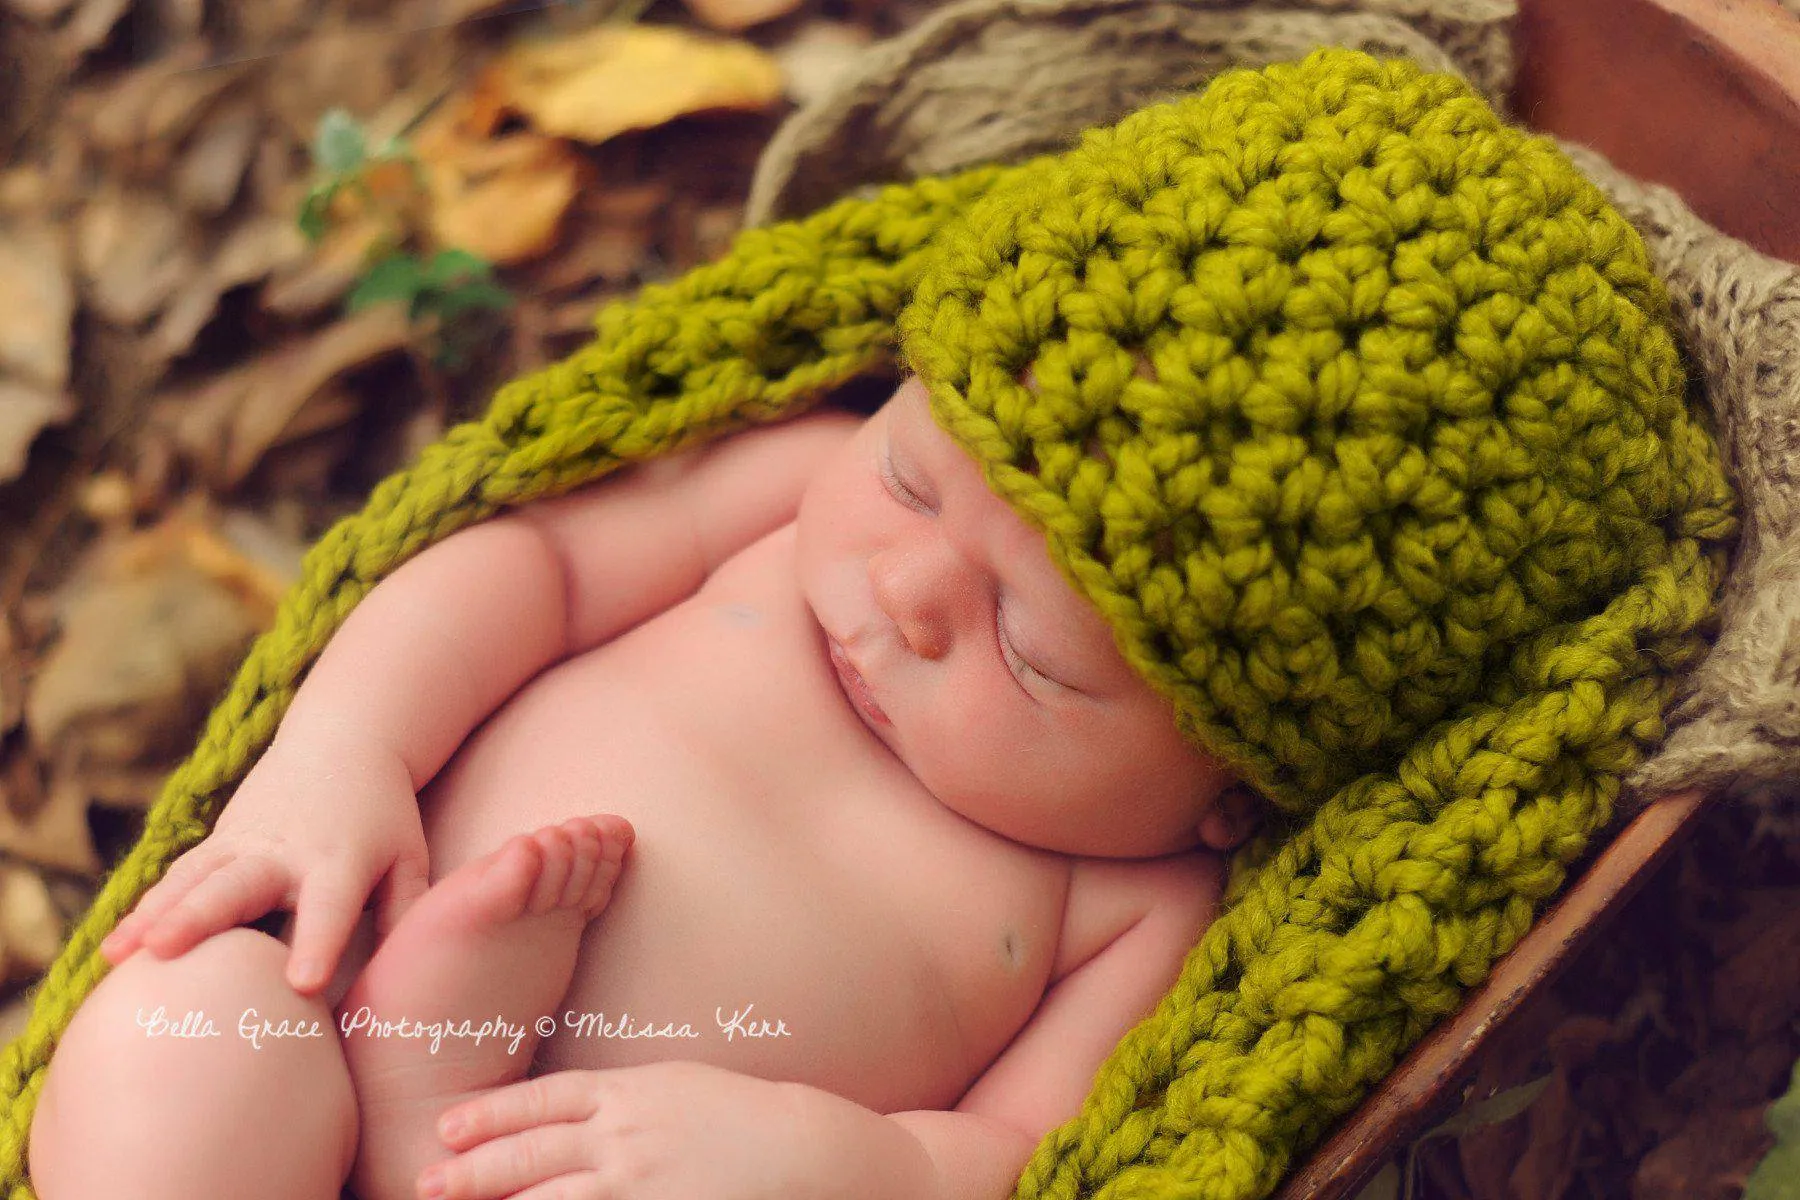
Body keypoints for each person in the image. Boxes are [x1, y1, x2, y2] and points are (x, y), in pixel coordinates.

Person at [23, 44, 1737, 1200]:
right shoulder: (783, 487)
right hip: (330, 990)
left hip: (623, 1159)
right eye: (918, 479)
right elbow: (516, 559)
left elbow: (1021, 1149)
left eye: (1034, 654)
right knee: (186, 1030)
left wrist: (836, 1161)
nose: (905, 593)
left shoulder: (1132, 903)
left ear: (1238, 784)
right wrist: (335, 761)